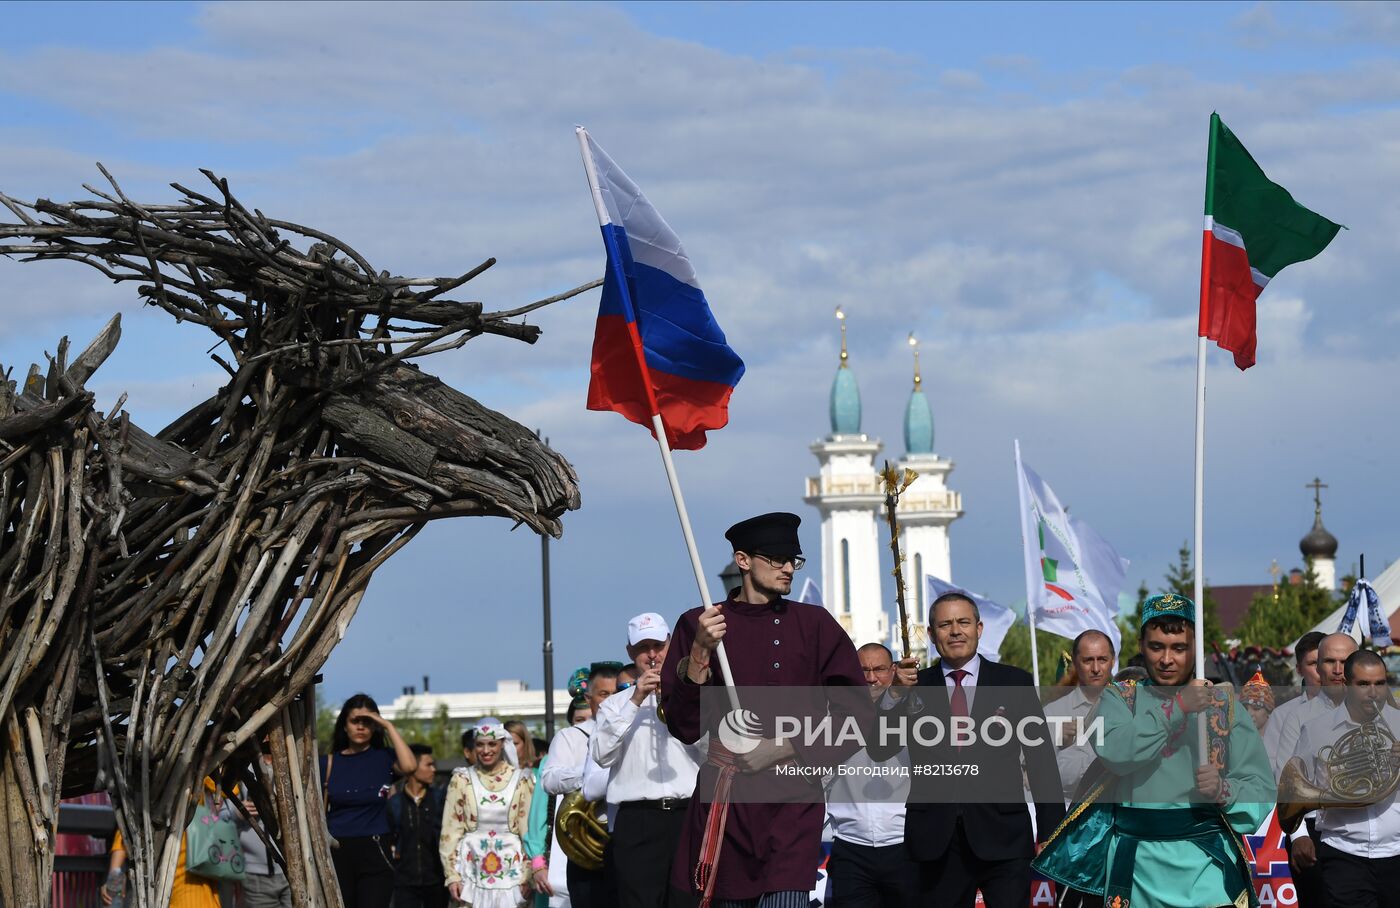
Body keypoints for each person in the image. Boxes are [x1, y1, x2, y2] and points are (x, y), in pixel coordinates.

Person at [661, 511, 868, 908]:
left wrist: (783, 747)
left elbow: (856, 716)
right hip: (725, 806)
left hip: (793, 804)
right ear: (743, 561)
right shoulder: (698, 623)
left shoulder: (815, 624)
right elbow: (684, 726)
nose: (789, 568)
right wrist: (701, 651)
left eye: (794, 560)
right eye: (777, 559)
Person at [1033, 594, 1276, 908]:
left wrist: (1223, 789)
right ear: (1141, 644)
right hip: (1135, 874)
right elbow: (1118, 753)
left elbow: (1261, 789)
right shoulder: (1119, 698)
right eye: (1156, 646)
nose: (1166, 659)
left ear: (1195, 647)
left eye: (1179, 648)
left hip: (1208, 872)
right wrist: (1179, 706)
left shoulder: (1224, 705)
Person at [874, 591, 1064, 908]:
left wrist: (1050, 830)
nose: (956, 631)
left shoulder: (1013, 683)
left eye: (963, 622)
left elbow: (1041, 760)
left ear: (979, 628)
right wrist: (894, 696)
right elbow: (881, 748)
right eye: (945, 624)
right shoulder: (913, 687)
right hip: (935, 841)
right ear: (932, 635)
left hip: (1004, 836)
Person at [588, 612, 703, 908]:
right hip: (637, 820)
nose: (651, 655)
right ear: (630, 652)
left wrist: (682, 705)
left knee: (690, 901)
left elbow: (712, 752)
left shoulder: (693, 696)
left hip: (687, 814)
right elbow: (601, 755)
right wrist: (635, 701)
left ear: (670, 644)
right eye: (642, 648)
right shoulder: (614, 706)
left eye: (658, 646)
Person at [1287, 650, 1400, 908]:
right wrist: (1298, 836)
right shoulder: (1316, 729)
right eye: (1363, 684)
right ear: (1347, 685)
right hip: (1344, 852)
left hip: (1397, 851)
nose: (1373, 692)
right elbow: (1294, 788)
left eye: (1380, 683)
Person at [824, 642, 916, 908]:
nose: (871, 678)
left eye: (879, 669)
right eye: (863, 670)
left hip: (906, 846)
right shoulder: (832, 717)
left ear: (895, 670)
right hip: (850, 848)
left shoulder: (918, 713)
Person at [1273, 631, 1358, 904]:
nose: (1337, 669)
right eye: (1329, 661)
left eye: (1344, 661)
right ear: (1318, 666)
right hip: (1313, 834)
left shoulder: (1379, 711)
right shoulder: (1296, 717)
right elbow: (1285, 780)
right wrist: (1297, 835)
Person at [321, 694, 419, 908]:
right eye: (355, 721)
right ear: (344, 725)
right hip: (339, 850)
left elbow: (411, 766)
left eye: (367, 722)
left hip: (376, 848)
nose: (361, 727)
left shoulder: (384, 757)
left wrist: (388, 725)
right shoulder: (328, 763)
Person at [440, 720, 545, 908]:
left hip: (512, 873)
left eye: (492, 744)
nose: (485, 750)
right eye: (480, 744)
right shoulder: (462, 779)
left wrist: (528, 875)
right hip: (470, 872)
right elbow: (450, 830)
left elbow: (529, 831)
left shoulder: (522, 780)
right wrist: (452, 875)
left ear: (502, 744)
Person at [541, 664, 620, 908]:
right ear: (589, 698)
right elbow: (549, 779)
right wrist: (588, 776)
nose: (610, 700)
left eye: (616, 693)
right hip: (586, 852)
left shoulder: (634, 730)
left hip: (625, 842)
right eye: (603, 694)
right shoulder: (570, 737)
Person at [103, 777, 225, 908]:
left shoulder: (144, 791)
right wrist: (114, 878)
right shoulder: (143, 793)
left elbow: (124, 836)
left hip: (185, 880)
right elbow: (125, 835)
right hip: (172, 883)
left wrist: (114, 877)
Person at [1043, 629, 1116, 803]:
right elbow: (1037, 775)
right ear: (1075, 662)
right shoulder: (1053, 712)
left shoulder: (1133, 707)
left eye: (1102, 660)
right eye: (1088, 660)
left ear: (1113, 661)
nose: (1096, 668)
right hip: (1071, 817)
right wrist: (1056, 741)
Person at [222, 749, 292, 908]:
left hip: (290, 866)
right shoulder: (240, 768)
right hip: (255, 874)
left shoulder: (288, 768)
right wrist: (238, 812)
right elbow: (220, 813)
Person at [387, 743, 447, 908]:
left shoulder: (439, 799)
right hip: (404, 885)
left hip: (436, 882)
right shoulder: (395, 804)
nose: (433, 769)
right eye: (428, 764)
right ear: (412, 766)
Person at [1262, 631, 1327, 776]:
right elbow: (1270, 766)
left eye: (1325, 661)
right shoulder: (1281, 716)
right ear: (1299, 670)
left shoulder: (1353, 708)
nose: (1321, 669)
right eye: (1313, 663)